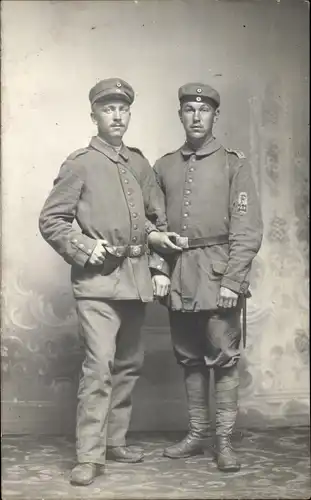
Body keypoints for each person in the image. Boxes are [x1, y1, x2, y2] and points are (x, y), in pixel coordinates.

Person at [39, 78, 180, 486]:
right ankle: (89, 455)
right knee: (98, 366)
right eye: (108, 109)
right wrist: (83, 248)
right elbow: (52, 220)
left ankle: (114, 441)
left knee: (128, 365)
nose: (116, 116)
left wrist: (158, 262)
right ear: (94, 115)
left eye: (122, 108)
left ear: (129, 114)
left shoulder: (139, 164)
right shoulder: (79, 162)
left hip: (134, 282)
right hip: (98, 284)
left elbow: (156, 222)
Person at [150, 82, 263, 472]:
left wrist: (233, 280)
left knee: (223, 358)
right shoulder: (163, 166)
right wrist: (160, 269)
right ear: (179, 115)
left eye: (204, 110)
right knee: (189, 359)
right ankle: (198, 435)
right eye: (188, 110)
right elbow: (156, 224)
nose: (196, 117)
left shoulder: (234, 164)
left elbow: (247, 230)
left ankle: (224, 442)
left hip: (219, 274)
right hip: (180, 274)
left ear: (215, 115)